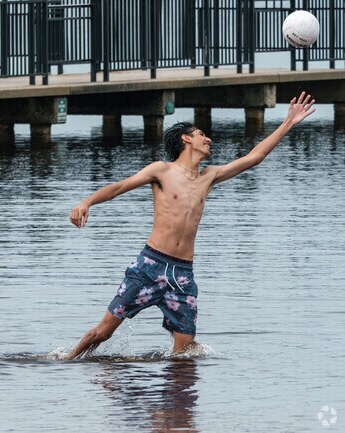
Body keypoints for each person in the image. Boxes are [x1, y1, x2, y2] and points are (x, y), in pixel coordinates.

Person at [67, 92, 315, 360]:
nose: (208, 139)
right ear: (186, 139)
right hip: (149, 266)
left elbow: (255, 157)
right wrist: (86, 202)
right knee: (103, 333)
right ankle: (67, 362)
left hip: (182, 275)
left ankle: (175, 400)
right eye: (201, 135)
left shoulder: (209, 177)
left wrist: (288, 122)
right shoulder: (161, 171)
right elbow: (119, 187)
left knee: (184, 352)